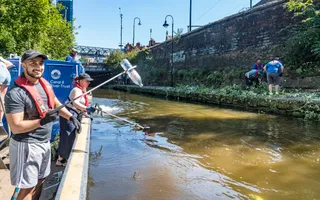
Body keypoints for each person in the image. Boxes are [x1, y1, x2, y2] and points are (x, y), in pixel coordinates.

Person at [5, 50, 82, 200]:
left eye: (40, 63)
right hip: (27, 145)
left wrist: (71, 117)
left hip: (44, 142)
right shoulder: (15, 93)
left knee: (40, 181)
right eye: (32, 63)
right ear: (23, 65)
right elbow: (16, 127)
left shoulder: (43, 84)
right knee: (27, 187)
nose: (38, 67)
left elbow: (56, 103)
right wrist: (42, 120)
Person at [56, 73, 95, 166]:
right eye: (87, 81)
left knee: (70, 136)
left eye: (89, 81)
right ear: (81, 81)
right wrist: (87, 109)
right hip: (69, 114)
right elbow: (76, 104)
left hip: (74, 113)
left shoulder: (82, 90)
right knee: (67, 136)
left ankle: (63, 158)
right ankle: (61, 160)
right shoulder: (76, 90)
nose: (89, 83)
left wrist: (85, 113)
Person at [0, 57, 13, 128]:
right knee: (1, 100)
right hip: (6, 74)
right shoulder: (2, 59)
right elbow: (10, 65)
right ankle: (0, 122)